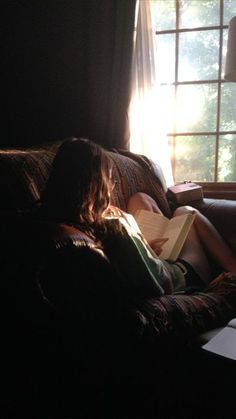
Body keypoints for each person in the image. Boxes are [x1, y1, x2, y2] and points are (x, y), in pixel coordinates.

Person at [39, 137, 236, 296]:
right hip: (184, 276)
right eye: (110, 179)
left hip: (154, 261)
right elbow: (163, 285)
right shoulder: (117, 228)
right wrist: (139, 238)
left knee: (140, 198)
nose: (112, 185)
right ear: (98, 185)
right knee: (186, 212)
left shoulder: (60, 220)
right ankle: (233, 271)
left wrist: (146, 248)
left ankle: (172, 238)